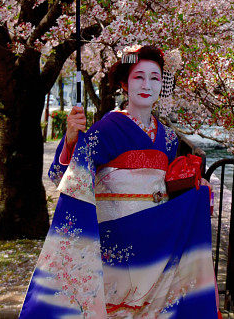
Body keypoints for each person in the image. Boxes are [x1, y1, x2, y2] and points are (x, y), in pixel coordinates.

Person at [21, 46, 219, 318]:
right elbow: (62, 175)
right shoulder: (107, 128)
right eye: (138, 77)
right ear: (125, 84)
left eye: (155, 78)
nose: (147, 85)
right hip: (116, 241)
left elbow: (169, 189)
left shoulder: (169, 139)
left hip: (154, 242)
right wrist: (69, 141)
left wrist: (196, 191)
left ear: (163, 84)